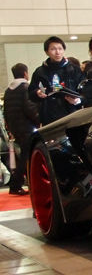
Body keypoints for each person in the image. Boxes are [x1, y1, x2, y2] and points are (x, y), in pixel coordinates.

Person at [28, 36, 86, 126]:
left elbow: (85, 90)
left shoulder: (74, 70)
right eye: (53, 49)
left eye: (60, 48)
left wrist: (78, 100)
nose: (57, 52)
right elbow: (31, 93)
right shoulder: (40, 72)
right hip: (49, 115)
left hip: (72, 113)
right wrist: (37, 93)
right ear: (46, 52)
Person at [3, 63, 40, 195]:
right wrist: (38, 121)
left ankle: (22, 184)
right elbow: (30, 108)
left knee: (24, 155)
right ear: (25, 73)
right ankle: (16, 185)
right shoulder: (26, 88)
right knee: (26, 156)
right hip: (27, 127)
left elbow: (6, 112)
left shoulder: (8, 91)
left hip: (15, 127)